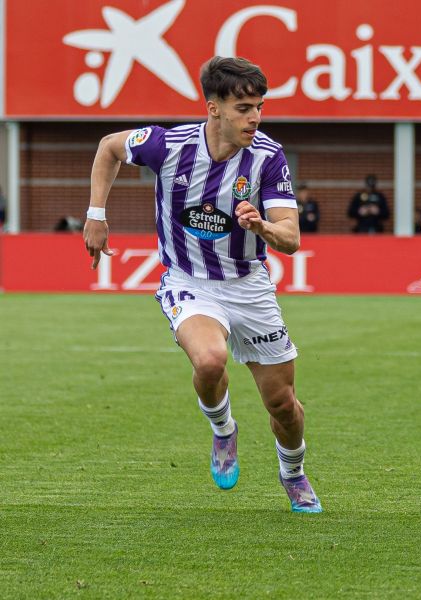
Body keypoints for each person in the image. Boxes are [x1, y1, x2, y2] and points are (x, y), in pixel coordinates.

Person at [82, 56, 322, 514]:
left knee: (283, 405)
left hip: (249, 286)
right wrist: (96, 214)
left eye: (259, 107)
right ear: (214, 109)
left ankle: (293, 472)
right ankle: (223, 429)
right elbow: (109, 147)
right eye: (243, 108)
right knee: (210, 360)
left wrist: (263, 228)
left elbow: (290, 238)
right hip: (188, 280)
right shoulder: (167, 145)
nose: (254, 117)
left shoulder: (268, 158)